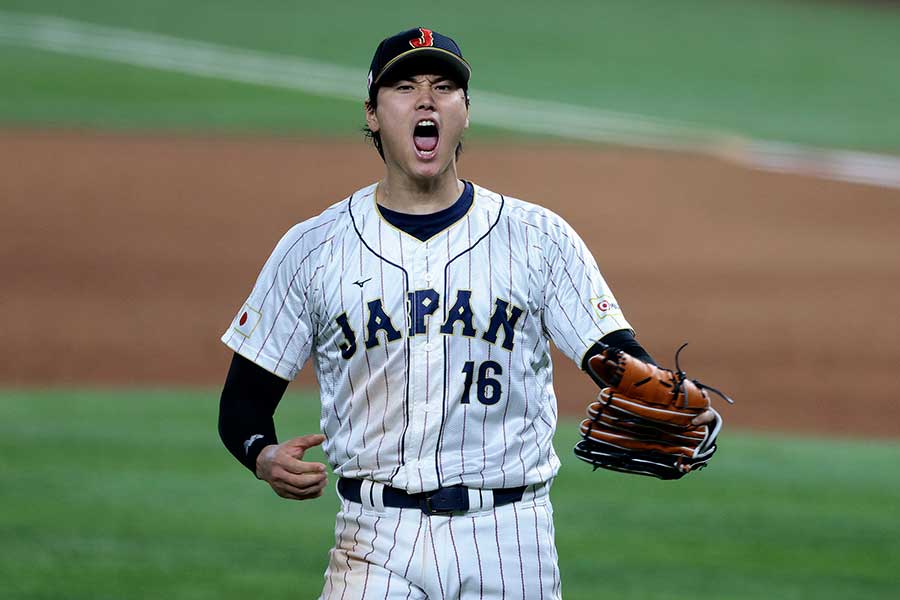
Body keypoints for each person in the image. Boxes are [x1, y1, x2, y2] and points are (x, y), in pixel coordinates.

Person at [218, 27, 711, 599]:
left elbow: (610, 351)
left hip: (510, 538)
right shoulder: (313, 249)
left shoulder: (538, 238)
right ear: (373, 114)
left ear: (465, 113)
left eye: (444, 87)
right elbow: (243, 403)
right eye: (404, 86)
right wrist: (262, 454)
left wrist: (658, 388)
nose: (426, 99)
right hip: (374, 537)